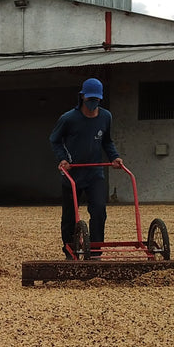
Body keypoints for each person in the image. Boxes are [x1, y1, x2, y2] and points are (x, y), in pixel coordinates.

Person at [49, 77, 122, 258]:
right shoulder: (68, 119)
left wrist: (114, 157)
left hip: (94, 172)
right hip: (72, 173)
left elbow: (107, 141)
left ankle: (96, 253)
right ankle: (69, 252)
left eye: (96, 100)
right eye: (90, 100)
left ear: (100, 99)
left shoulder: (106, 117)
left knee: (99, 211)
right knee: (69, 216)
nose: (92, 103)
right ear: (82, 97)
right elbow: (55, 140)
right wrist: (64, 159)